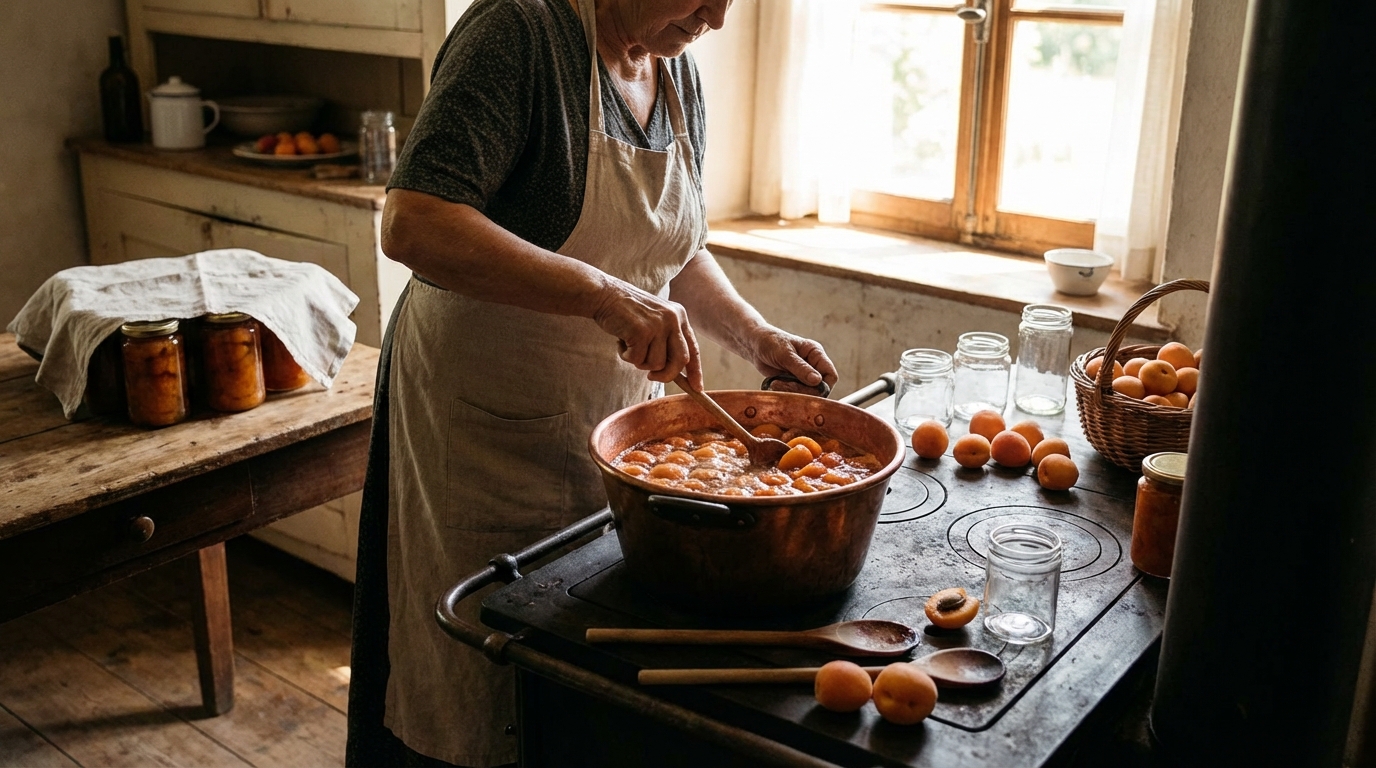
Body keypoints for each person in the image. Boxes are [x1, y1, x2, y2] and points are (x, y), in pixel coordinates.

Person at [346, 0, 839, 765]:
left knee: (582, 661)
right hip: (483, 424)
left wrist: (755, 335)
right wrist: (603, 295)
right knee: (476, 667)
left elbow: (672, 246)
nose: (715, 18)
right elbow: (415, 222)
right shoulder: (518, 33)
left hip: (613, 420)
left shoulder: (674, 72)